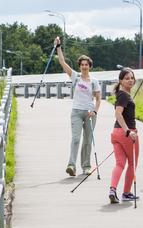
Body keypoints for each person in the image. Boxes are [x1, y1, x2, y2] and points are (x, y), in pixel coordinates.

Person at [54, 36, 101, 176]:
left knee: (87, 141)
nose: (84, 66)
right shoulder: (75, 76)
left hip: (89, 113)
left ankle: (86, 166)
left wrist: (95, 111)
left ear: (90, 66)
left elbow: (98, 99)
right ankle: (71, 165)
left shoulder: (94, 81)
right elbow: (62, 62)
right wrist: (58, 46)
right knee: (75, 139)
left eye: (86, 64)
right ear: (79, 66)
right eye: (82, 64)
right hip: (76, 112)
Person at [109, 68, 140, 204]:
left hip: (116, 133)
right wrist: (128, 131)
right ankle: (126, 193)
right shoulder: (124, 95)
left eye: (132, 77)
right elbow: (118, 113)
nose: (130, 80)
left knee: (120, 163)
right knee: (132, 163)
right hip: (126, 133)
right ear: (121, 81)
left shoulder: (122, 94)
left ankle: (112, 190)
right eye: (126, 78)